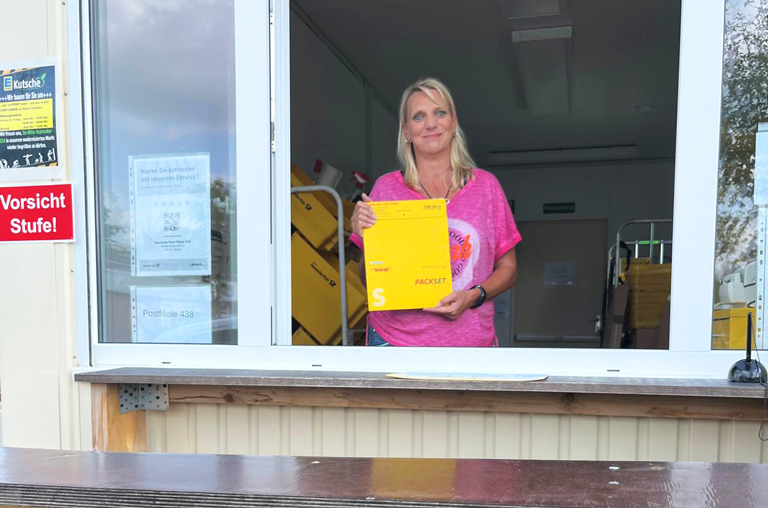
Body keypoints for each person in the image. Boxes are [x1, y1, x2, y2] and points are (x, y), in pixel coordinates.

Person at [350, 77, 521, 347]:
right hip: (394, 341)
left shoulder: (486, 188)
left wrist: (472, 296)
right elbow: (369, 280)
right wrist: (364, 236)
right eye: (419, 116)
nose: (431, 123)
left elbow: (509, 269)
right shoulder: (386, 189)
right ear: (406, 130)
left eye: (439, 113)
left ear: (453, 122)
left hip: (469, 344)